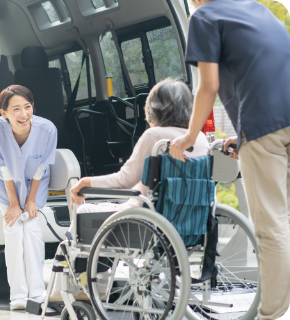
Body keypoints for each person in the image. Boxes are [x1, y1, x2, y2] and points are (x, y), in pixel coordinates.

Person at [170, 0, 290, 319]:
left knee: (272, 224)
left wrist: (187, 136)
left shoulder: (204, 17)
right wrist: (242, 134)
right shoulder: (258, 10)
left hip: (264, 127)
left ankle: (273, 314)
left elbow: (208, 85)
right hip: (280, 119)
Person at [44, 78, 210, 301]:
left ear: (153, 109)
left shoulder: (155, 136)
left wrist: (86, 182)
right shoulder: (199, 138)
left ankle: (76, 288)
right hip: (189, 221)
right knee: (109, 212)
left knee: (84, 215)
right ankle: (96, 285)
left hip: (145, 220)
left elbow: (123, 180)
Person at [0, 85, 57, 310]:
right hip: (5, 185)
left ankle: (37, 294)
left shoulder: (46, 129)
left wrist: (30, 201)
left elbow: (40, 167)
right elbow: (2, 168)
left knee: (32, 231)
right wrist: (14, 203)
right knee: (14, 230)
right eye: (16, 109)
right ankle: (18, 295)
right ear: (4, 113)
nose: (24, 114)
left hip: (34, 185)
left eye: (28, 107)